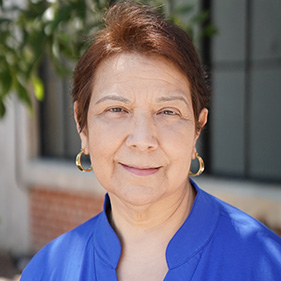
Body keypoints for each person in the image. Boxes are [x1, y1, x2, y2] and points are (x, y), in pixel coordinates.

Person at [21, 2, 281, 280]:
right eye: (116, 110)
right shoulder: (47, 270)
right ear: (81, 125)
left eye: (168, 112)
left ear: (198, 127)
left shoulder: (265, 264)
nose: (143, 140)